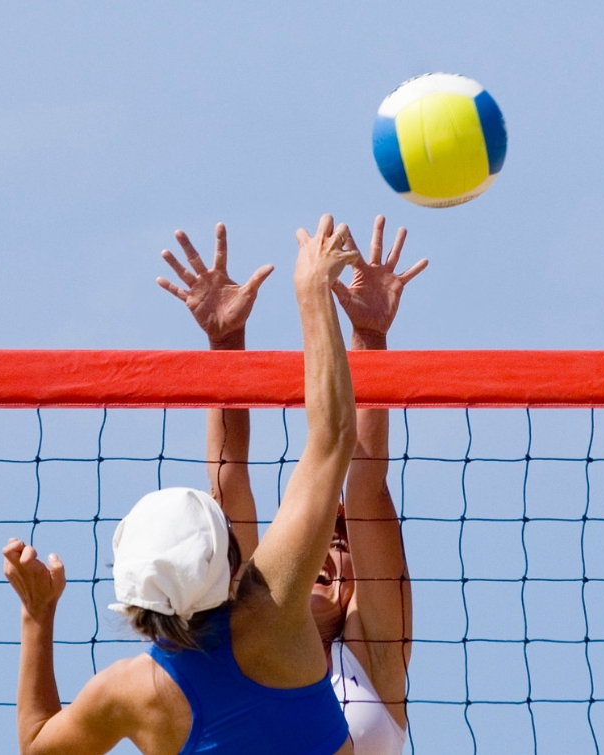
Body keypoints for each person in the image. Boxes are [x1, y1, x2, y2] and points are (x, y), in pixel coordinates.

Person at [2, 214, 361, 755]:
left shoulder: (130, 691)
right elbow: (331, 437)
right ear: (229, 559)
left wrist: (37, 615)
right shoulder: (272, 609)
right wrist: (313, 293)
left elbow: (36, 747)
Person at [158, 216, 424, 754]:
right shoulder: (251, 628)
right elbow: (228, 480)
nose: (329, 547)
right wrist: (225, 345)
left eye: (342, 544)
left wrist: (371, 336)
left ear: (356, 584)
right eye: (323, 535)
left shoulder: (375, 657)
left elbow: (365, 482)